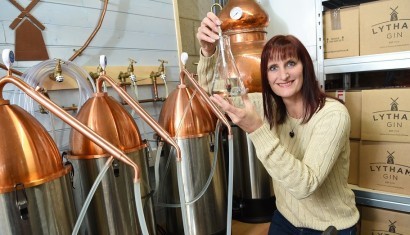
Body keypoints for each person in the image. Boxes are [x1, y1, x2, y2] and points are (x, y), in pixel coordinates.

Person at [196, 12, 359, 235]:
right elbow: (213, 99)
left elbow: (305, 185)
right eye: (273, 68)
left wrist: (256, 129)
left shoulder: (333, 115)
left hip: (329, 227)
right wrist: (208, 51)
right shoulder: (267, 106)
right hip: (284, 218)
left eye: (290, 63)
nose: (283, 75)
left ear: (305, 67)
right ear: (266, 76)